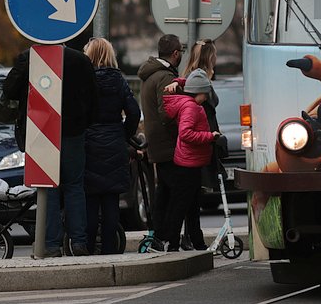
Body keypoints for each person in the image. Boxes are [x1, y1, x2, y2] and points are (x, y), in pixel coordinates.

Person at [4, 36, 98, 256]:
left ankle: (52, 245)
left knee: (48, 188)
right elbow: (94, 99)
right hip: (73, 132)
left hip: (41, 133)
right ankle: (79, 243)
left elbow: (9, 90)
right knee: (75, 187)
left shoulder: (29, 58)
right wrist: (83, 123)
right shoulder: (79, 60)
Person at [82, 38, 140, 255]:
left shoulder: (84, 81)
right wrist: (124, 134)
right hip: (115, 143)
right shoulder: (119, 80)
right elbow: (133, 112)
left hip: (89, 144)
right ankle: (110, 249)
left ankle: (87, 249)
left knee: (90, 200)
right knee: (111, 200)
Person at [155, 70, 220, 252]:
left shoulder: (187, 102)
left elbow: (193, 83)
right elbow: (185, 133)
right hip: (188, 164)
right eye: (205, 93)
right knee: (182, 205)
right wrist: (209, 136)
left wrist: (180, 82)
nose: (206, 97)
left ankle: (194, 242)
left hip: (189, 162)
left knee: (189, 205)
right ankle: (173, 243)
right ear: (199, 92)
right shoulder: (191, 107)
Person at [138, 34, 183, 248]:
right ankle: (169, 238)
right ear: (175, 54)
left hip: (157, 144)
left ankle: (159, 235)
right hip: (169, 145)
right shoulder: (165, 77)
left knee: (164, 192)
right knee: (177, 194)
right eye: (180, 52)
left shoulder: (150, 76)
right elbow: (168, 113)